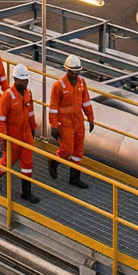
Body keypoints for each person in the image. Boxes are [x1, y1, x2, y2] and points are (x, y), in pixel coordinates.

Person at [0, 64, 40, 202]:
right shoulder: (7, 96)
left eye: (26, 80)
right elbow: (1, 120)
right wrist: (4, 139)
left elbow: (30, 112)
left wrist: (32, 127)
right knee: (8, 163)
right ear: (15, 79)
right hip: (12, 137)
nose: (25, 83)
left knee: (27, 164)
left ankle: (26, 192)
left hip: (26, 136)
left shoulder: (28, 93)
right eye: (22, 80)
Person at [48, 55, 96, 189]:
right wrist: (54, 125)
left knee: (78, 151)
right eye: (72, 73)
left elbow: (86, 102)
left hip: (78, 121)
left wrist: (91, 118)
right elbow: (53, 107)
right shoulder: (59, 85)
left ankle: (74, 177)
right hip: (65, 122)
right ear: (67, 71)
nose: (75, 75)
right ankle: (53, 162)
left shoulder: (82, 83)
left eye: (77, 73)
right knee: (67, 150)